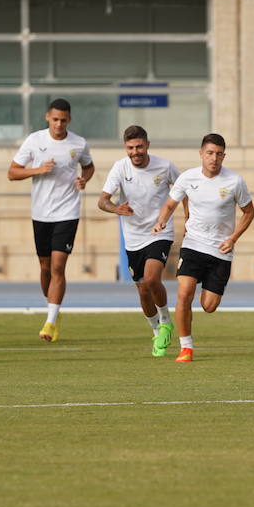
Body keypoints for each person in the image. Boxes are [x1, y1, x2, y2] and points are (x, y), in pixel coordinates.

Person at [152, 133, 254, 362]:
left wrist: (233, 238)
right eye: (209, 153)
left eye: (219, 154)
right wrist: (161, 221)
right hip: (193, 244)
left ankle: (205, 292)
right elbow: (170, 204)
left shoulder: (234, 181)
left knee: (208, 306)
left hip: (221, 250)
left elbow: (249, 212)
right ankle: (186, 347)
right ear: (201, 154)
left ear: (224, 156)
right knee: (184, 292)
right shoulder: (188, 178)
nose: (214, 158)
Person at [7, 98, 94, 343]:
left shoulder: (78, 143)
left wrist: (83, 180)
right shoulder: (35, 140)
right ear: (48, 117)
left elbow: (88, 167)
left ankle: (50, 321)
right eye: (55, 119)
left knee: (58, 266)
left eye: (63, 120)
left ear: (69, 120)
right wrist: (37, 170)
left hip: (67, 212)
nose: (58, 124)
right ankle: (53, 309)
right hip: (41, 213)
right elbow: (12, 172)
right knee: (45, 267)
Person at [99, 125, 181, 356]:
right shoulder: (120, 168)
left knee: (153, 279)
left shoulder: (164, 166)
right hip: (133, 238)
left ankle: (165, 320)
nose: (135, 152)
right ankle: (157, 334)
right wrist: (116, 208)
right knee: (143, 290)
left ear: (147, 145)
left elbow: (183, 189)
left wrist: (189, 214)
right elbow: (102, 201)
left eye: (139, 147)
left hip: (159, 232)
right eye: (130, 148)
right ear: (126, 148)